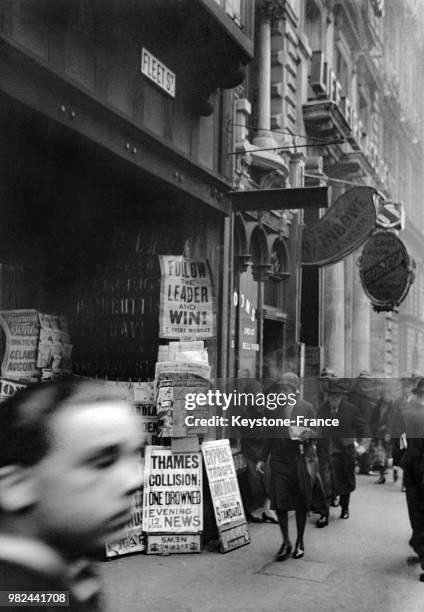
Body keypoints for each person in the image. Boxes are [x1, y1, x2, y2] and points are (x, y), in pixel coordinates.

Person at [0, 380, 142, 610]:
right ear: (17, 486)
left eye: (135, 454)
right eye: (102, 462)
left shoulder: (65, 572)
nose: (135, 481)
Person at [256, 372, 326, 561]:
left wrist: (309, 433)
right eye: (281, 389)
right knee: (280, 505)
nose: (283, 392)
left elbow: (318, 431)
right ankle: (285, 541)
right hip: (279, 462)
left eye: (287, 389)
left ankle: (300, 541)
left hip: (299, 461)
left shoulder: (306, 408)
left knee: (301, 503)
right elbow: (270, 435)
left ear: (295, 390)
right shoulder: (274, 409)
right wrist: (263, 459)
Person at [317, 378, 369, 519]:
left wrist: (363, 446)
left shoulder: (351, 409)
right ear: (327, 396)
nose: (334, 398)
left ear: (341, 396)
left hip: (345, 452)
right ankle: (324, 513)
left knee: (346, 481)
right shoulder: (321, 409)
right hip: (326, 451)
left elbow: (363, 428)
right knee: (326, 481)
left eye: (337, 395)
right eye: (331, 395)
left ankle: (345, 508)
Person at [399, 377, 424, 580]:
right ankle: (420, 549)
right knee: (415, 514)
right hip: (413, 472)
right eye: (420, 394)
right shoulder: (410, 413)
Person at [348, 371, 378, 475]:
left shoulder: (368, 393)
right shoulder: (355, 393)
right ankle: (363, 466)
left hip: (367, 421)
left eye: (368, 380)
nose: (366, 382)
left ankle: (364, 466)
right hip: (360, 422)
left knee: (364, 443)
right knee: (362, 443)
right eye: (365, 380)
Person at [369, 381, 395, 484]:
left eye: (388, 395)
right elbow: (372, 419)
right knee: (380, 456)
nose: (386, 397)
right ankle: (382, 476)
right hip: (378, 434)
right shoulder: (378, 406)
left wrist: (388, 431)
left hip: (388, 433)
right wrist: (374, 428)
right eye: (385, 395)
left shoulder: (393, 407)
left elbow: (393, 421)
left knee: (390, 456)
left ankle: (394, 469)